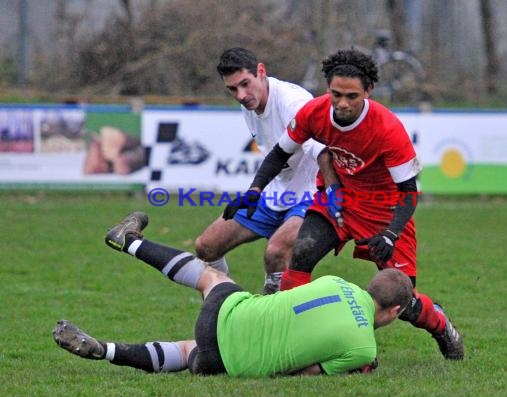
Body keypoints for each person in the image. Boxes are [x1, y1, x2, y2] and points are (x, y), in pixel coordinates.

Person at [224, 48, 464, 360]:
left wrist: (391, 233)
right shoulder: (315, 112)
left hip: (384, 210)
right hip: (337, 201)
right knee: (303, 252)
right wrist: (255, 190)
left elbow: (408, 191)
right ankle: (288, 340)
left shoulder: (387, 128)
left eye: (352, 96)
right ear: (328, 89)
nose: (342, 103)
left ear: (368, 91)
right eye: (336, 94)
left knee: (400, 300)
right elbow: (280, 153)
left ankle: (440, 324)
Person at [53, 211, 413, 377]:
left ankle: (129, 241)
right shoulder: (365, 348)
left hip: (226, 316)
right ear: (394, 312)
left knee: (211, 278)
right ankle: (107, 351)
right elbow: (308, 373)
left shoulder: (337, 282)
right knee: (184, 351)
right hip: (222, 365)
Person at [192, 47, 324, 294]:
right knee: (206, 247)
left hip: (310, 194)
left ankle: (273, 321)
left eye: (245, 83)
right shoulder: (250, 103)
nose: (241, 95)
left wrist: (335, 198)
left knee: (276, 253)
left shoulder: (293, 103)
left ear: (261, 71)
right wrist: (256, 190)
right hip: (274, 193)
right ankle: (222, 306)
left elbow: (323, 153)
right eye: (233, 89)